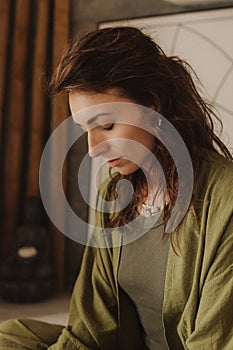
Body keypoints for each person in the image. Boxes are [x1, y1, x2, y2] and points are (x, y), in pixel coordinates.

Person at [0, 26, 232, 350]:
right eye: (85, 129)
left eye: (107, 125)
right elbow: (91, 326)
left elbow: (215, 341)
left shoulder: (225, 200)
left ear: (154, 107)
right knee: (9, 335)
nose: (93, 148)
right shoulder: (115, 192)